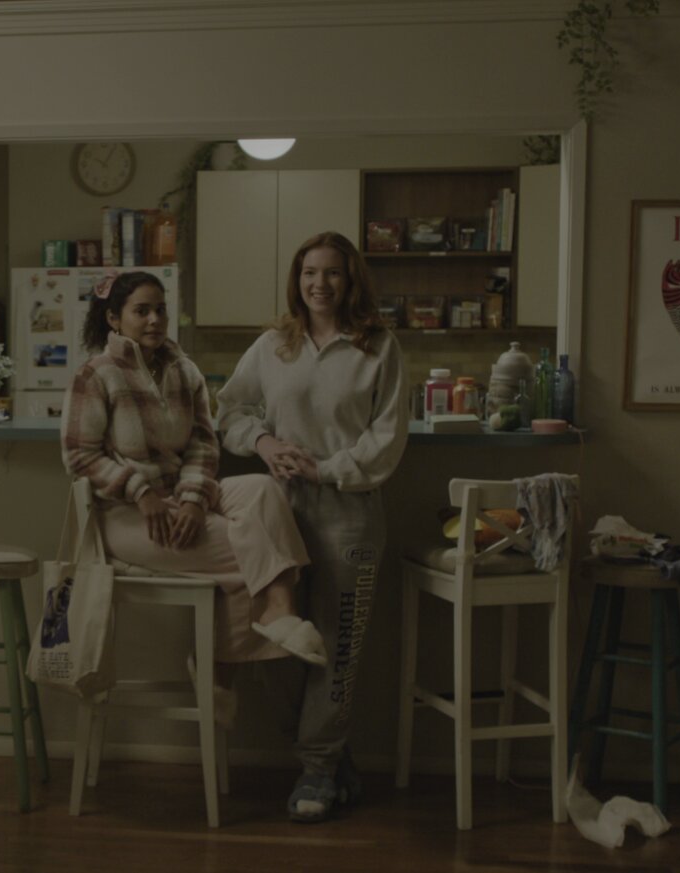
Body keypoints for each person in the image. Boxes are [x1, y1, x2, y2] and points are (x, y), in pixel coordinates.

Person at [217, 231, 409, 823]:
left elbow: (387, 436)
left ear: (351, 281)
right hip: (278, 511)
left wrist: (326, 469)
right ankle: (327, 758)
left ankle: (319, 771)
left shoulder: (379, 347)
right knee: (276, 639)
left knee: (337, 645)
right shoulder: (273, 345)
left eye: (331, 273)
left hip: (350, 512)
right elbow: (229, 411)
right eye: (308, 273)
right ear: (296, 280)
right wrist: (265, 443)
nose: (318, 284)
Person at [61, 270, 323, 675]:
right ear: (114, 318)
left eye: (160, 310)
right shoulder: (96, 375)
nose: (154, 320)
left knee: (263, 488)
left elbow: (203, 445)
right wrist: (142, 493)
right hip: (125, 516)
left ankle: (276, 610)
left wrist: (195, 500)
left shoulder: (185, 372)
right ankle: (218, 668)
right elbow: (80, 456)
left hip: (180, 499)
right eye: (141, 311)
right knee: (253, 549)